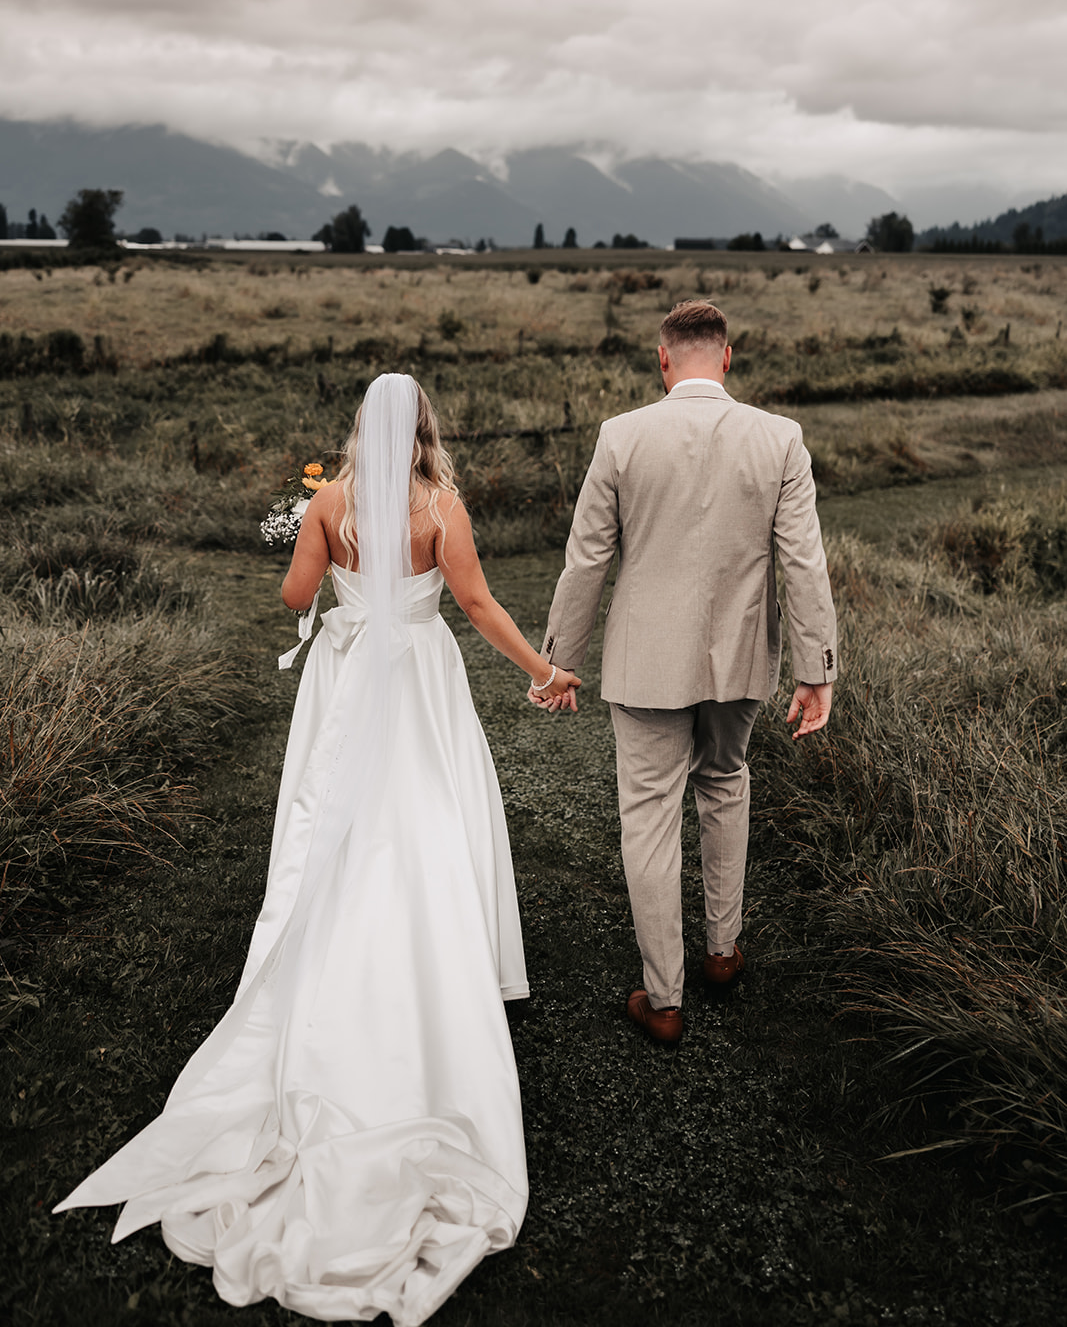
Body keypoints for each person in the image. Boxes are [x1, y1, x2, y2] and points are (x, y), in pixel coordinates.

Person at [55, 373, 579, 1325]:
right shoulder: (440, 506)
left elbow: (299, 594)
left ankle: (333, 941)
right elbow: (478, 604)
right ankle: (424, 951)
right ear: (423, 428)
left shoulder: (329, 503)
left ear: (354, 432)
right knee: (421, 811)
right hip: (419, 679)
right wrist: (544, 672)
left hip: (344, 676)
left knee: (336, 815)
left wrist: (305, 545)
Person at [533, 300, 837, 1044]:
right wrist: (814, 668)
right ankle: (723, 953)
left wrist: (559, 662)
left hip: (644, 662)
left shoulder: (621, 436)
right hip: (740, 660)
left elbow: (587, 559)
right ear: (725, 358)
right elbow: (802, 560)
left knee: (647, 817)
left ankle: (663, 999)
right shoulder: (780, 438)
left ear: (662, 359)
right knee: (726, 785)